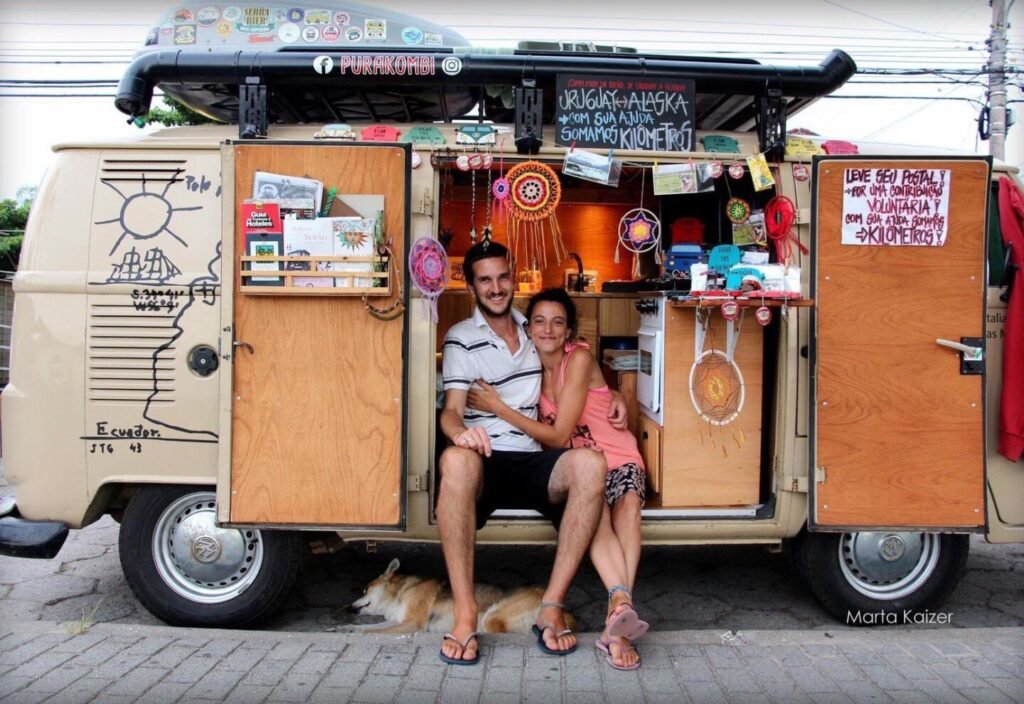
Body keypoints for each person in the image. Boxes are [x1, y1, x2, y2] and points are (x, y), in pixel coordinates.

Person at [437, 241, 625, 665]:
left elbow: (576, 368)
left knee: (591, 464)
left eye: (502, 277)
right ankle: (466, 615)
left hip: (532, 454)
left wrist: (614, 392)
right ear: (472, 286)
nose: (496, 287)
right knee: (454, 460)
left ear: (513, 275)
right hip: (486, 458)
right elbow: (450, 412)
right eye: (485, 280)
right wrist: (461, 435)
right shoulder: (461, 339)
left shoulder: (533, 327)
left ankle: (551, 606)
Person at [469, 287, 649, 670]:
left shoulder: (579, 358)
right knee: (595, 515)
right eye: (539, 321)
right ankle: (620, 615)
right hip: (583, 467)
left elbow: (556, 432)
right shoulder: (527, 367)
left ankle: (619, 611)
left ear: (569, 331)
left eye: (557, 322)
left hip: (616, 456)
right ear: (528, 327)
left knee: (629, 507)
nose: (547, 329)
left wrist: (497, 407)